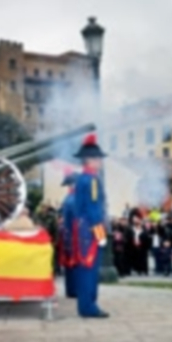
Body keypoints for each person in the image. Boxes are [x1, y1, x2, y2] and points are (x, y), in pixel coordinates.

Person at [71, 133, 109, 319]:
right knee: (90, 267)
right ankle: (89, 306)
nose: (100, 161)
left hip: (81, 226)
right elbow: (94, 209)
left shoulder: (81, 179)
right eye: (98, 158)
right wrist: (101, 234)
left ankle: (85, 305)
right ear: (90, 160)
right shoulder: (92, 180)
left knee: (84, 266)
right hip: (91, 227)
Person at [58, 169, 78, 299]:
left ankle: (71, 290)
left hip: (67, 234)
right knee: (76, 264)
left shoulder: (68, 198)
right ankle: (75, 290)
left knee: (70, 265)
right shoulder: (74, 199)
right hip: (75, 235)